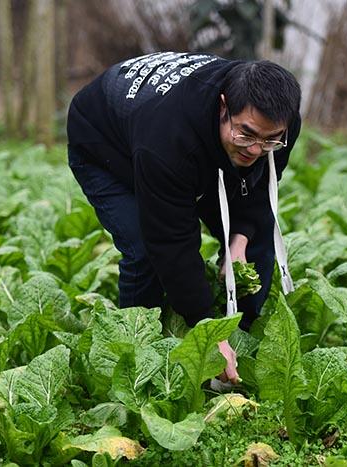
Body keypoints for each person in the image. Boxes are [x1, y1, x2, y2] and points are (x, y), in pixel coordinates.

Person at [66, 51, 301, 384]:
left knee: (257, 237)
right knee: (143, 247)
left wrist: (240, 238)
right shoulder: (167, 140)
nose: (255, 150)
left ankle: (245, 342)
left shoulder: (278, 128)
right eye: (246, 134)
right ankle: (136, 360)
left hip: (190, 146)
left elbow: (260, 187)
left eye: (270, 140)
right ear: (223, 106)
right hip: (104, 139)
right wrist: (207, 330)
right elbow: (172, 243)